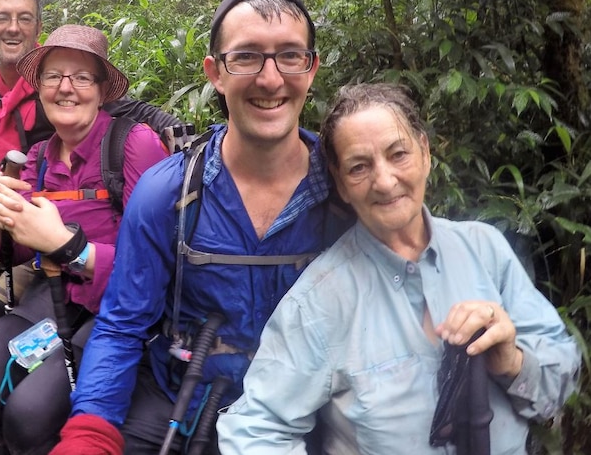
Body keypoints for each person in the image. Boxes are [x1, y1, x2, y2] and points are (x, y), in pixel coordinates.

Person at [49, 0, 351, 455]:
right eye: (247, 56)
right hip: (183, 399)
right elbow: (123, 324)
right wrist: (90, 430)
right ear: (215, 72)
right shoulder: (168, 192)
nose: (270, 79)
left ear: (311, 69)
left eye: (290, 56)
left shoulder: (347, 188)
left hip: (307, 411)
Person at [216, 83, 580, 454]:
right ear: (340, 182)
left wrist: (510, 361)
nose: (385, 181)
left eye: (398, 154)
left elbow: (560, 381)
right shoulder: (321, 300)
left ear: (425, 152)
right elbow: (253, 429)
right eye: (359, 167)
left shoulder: (484, 249)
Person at [0, 0, 180, 344]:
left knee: (0, 298)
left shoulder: (61, 88)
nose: (13, 27)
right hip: (5, 212)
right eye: (3, 18)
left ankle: (23, 360)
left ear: (37, 28)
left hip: (59, 221)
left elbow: (126, 109)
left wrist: (176, 132)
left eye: (24, 18)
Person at [0, 24, 170, 455]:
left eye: (81, 77)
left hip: (118, 309)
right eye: (53, 77)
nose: (65, 88)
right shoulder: (39, 157)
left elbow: (158, 265)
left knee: (28, 416)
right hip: (54, 295)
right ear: (40, 87)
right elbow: (14, 248)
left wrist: (72, 248)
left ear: (103, 90)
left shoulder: (134, 145)